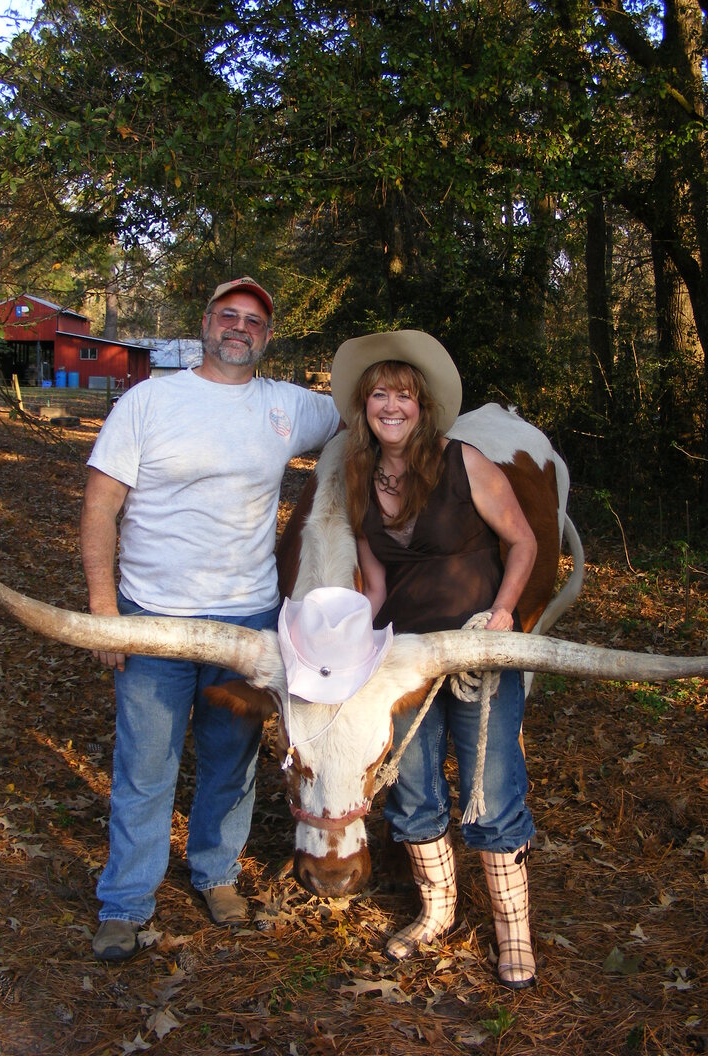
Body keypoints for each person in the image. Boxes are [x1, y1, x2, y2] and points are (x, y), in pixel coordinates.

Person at [81, 276, 341, 961]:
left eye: (253, 321)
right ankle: (126, 902)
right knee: (146, 763)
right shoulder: (148, 403)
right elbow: (101, 504)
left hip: (246, 623)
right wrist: (104, 610)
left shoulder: (288, 407)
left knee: (232, 760)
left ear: (266, 336)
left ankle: (217, 873)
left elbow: (374, 412)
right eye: (229, 315)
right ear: (204, 322)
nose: (239, 327)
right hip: (153, 618)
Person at [329, 330, 539, 989]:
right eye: (380, 394)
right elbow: (379, 585)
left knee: (492, 795)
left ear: (423, 406)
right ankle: (437, 913)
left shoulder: (464, 462)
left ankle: (514, 936)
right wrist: (357, 639)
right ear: (364, 406)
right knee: (415, 795)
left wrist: (503, 614)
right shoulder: (359, 477)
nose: (392, 405)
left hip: (478, 650)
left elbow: (524, 541)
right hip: (406, 664)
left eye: (405, 395)